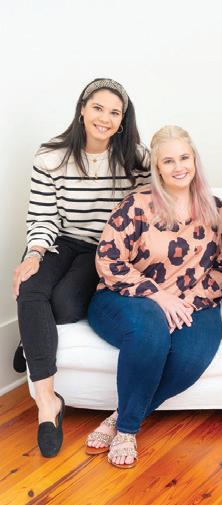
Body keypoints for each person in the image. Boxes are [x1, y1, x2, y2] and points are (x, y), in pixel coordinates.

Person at [12, 78, 149, 458]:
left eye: (114, 113)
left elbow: (142, 213)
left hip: (104, 246)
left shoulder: (138, 159)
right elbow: (43, 217)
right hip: (60, 240)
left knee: (66, 305)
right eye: (98, 108)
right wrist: (34, 254)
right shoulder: (50, 157)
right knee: (31, 287)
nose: (105, 118)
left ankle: (28, 337)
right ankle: (47, 404)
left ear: (122, 121)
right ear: (83, 109)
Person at [85, 125, 222, 468]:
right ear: (158, 168)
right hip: (126, 298)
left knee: (191, 358)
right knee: (150, 334)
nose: (179, 167)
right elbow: (108, 261)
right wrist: (159, 296)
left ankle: (119, 416)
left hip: (193, 302)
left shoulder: (216, 209)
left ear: (194, 159)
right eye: (169, 161)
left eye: (184, 157)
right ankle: (127, 431)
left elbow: (221, 267)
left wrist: (187, 303)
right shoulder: (137, 205)